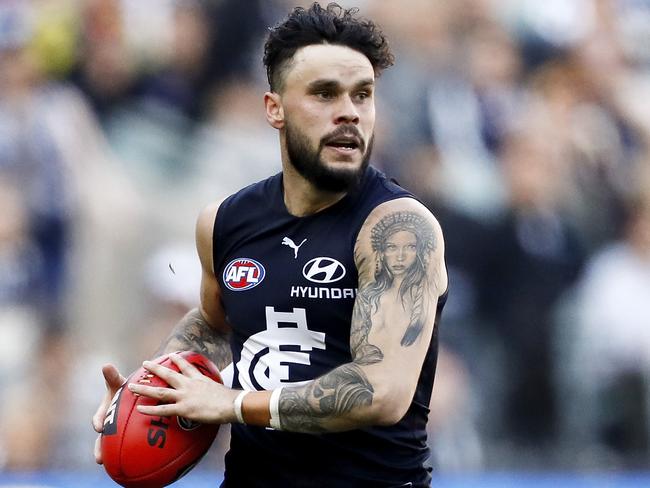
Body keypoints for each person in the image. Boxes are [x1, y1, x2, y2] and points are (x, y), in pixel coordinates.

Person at [92, 3, 448, 486]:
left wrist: (232, 403)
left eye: (362, 96)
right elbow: (217, 323)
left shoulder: (398, 230)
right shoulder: (225, 222)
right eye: (325, 94)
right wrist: (150, 390)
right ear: (274, 109)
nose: (349, 112)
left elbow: (380, 391)